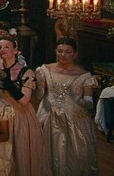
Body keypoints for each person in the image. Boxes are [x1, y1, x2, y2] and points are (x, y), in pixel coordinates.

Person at [35, 37, 99, 176]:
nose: (63, 55)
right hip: (48, 115)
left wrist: (77, 100)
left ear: (75, 54)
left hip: (74, 119)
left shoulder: (84, 75)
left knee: (73, 154)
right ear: (55, 51)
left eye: (68, 52)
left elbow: (89, 104)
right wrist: (38, 84)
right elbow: (40, 95)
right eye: (60, 51)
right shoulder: (45, 70)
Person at [0, 37, 51, 176]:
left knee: (19, 152)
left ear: (15, 50)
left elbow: (25, 100)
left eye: (6, 47)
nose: (2, 50)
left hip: (18, 115)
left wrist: (8, 83)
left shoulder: (26, 72)